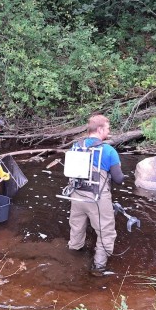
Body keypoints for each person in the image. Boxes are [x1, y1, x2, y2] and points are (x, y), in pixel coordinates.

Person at [67, 114, 125, 276]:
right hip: (97, 199)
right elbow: (119, 179)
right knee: (106, 232)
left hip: (76, 196)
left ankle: (72, 260)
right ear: (100, 129)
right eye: (107, 128)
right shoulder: (108, 151)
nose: (109, 131)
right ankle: (99, 269)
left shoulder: (76, 146)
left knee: (77, 229)